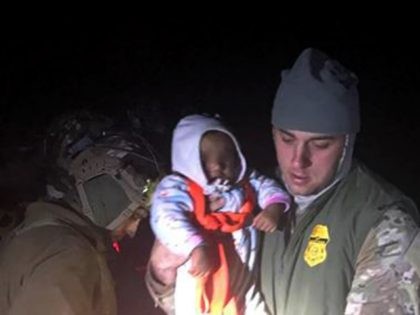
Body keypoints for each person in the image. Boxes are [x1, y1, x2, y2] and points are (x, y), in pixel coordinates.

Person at [260, 47, 420, 315]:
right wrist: (166, 279)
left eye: (320, 144)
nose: (298, 160)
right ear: (273, 133)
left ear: (347, 144)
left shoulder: (385, 225)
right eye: (287, 139)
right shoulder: (250, 196)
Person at [0, 112, 161, 315]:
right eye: (134, 215)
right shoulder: (69, 254)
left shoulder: (36, 234)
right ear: (100, 188)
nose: (132, 229)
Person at [146, 114, 290, 314]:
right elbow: (165, 217)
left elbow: (267, 187)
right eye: (204, 159)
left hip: (243, 275)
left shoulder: (244, 182)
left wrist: (274, 207)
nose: (216, 165)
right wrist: (195, 246)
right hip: (198, 274)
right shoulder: (178, 188)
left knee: (253, 306)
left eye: (225, 158)